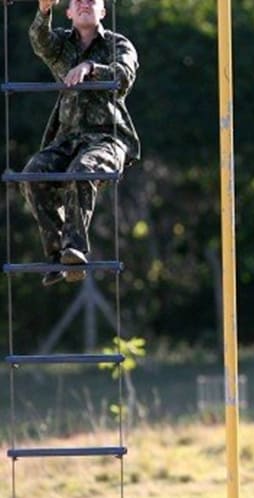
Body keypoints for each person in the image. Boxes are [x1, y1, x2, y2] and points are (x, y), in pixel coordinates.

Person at [24, 0, 139, 286]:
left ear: (103, 12)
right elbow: (40, 42)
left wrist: (90, 67)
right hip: (67, 137)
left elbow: (123, 75)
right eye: (78, 1)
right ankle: (57, 256)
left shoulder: (118, 44)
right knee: (34, 173)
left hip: (106, 138)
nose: (85, 3)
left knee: (83, 168)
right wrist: (43, 11)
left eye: (92, 0)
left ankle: (75, 249)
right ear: (70, 13)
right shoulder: (62, 44)